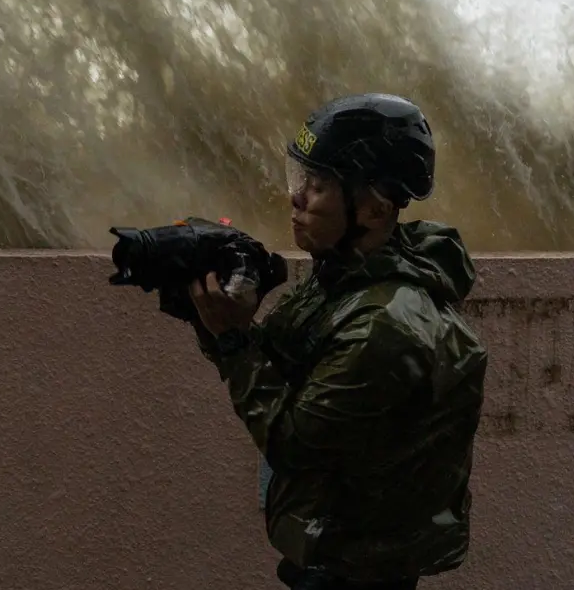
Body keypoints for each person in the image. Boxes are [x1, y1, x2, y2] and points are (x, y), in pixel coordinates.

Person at [185, 92, 488, 590]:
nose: (296, 197)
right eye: (298, 178)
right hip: (333, 555)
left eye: (318, 184)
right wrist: (211, 314)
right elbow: (283, 367)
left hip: (355, 571)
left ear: (372, 209)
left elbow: (291, 441)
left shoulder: (383, 324)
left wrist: (233, 339)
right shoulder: (348, 277)